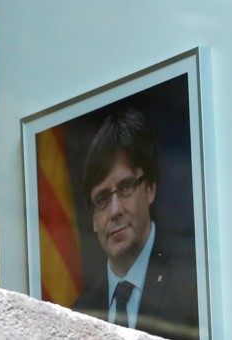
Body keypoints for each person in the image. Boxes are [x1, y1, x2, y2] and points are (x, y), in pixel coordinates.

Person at [72, 108, 199, 340]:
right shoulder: (79, 313)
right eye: (101, 199)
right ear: (92, 219)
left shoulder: (196, 281)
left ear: (150, 188)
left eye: (126, 187)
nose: (115, 210)